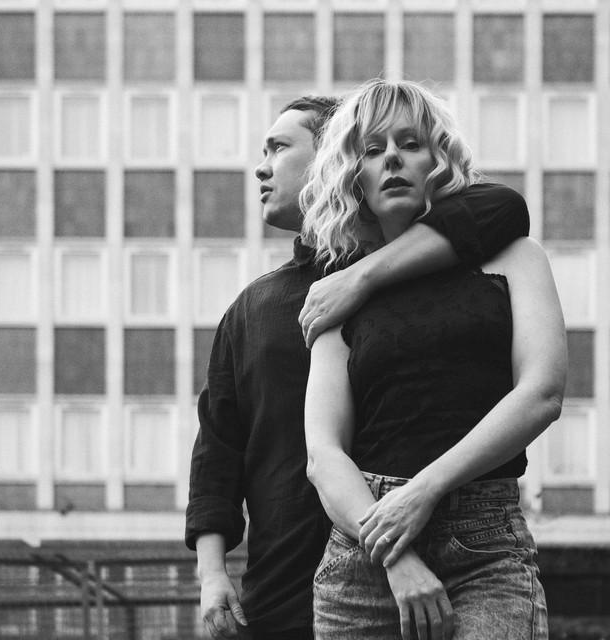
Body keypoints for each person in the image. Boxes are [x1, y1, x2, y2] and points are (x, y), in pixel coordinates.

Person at [185, 95, 531, 640]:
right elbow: (218, 445)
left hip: (414, 555)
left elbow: (501, 206)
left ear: (331, 157)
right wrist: (211, 573)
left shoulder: (431, 268)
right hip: (288, 583)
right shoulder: (252, 308)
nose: (261, 167)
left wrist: (360, 275)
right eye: (372, 148)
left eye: (279, 148)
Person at [302, 79, 567, 640]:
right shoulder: (336, 292)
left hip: (484, 548)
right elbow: (323, 453)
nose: (392, 159)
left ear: (439, 160)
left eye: (410, 143)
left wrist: (423, 492)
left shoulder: (514, 258)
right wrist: (395, 555)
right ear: (354, 176)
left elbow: (542, 393)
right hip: (365, 555)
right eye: (372, 150)